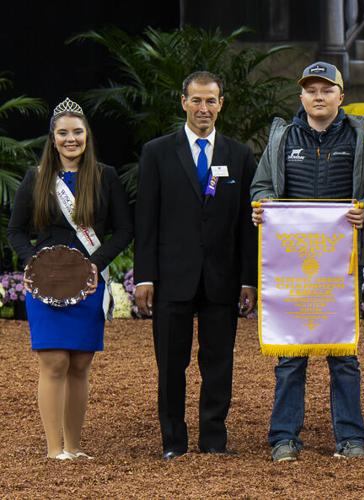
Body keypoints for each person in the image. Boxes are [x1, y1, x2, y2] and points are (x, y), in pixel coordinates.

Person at [249, 62, 364, 462]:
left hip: (339, 268)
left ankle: (351, 438)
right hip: (291, 267)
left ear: (340, 96)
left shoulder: (361, 140)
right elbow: (260, 187)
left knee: (343, 355)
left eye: (326, 90)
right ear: (301, 97)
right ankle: (283, 438)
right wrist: (260, 207)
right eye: (311, 90)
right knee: (290, 357)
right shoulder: (281, 139)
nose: (318, 96)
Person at [134, 71, 256, 460]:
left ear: (222, 104)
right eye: (197, 100)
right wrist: (145, 277)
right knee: (172, 364)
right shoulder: (157, 152)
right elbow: (146, 220)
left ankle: (214, 440)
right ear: (183, 102)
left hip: (222, 278)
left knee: (218, 364)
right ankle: (173, 441)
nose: (204, 108)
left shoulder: (239, 155)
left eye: (211, 101)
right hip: (172, 278)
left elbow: (246, 224)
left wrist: (248, 280)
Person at [6, 98, 132, 460]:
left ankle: (74, 447)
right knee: (54, 361)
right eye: (63, 133)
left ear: (87, 136)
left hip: (89, 281)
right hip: (45, 282)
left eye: (77, 132)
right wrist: (33, 263)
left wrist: (96, 264)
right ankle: (54, 449)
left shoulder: (105, 177)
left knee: (79, 363)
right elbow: (16, 231)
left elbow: (124, 230)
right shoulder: (36, 178)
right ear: (53, 137)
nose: (71, 139)